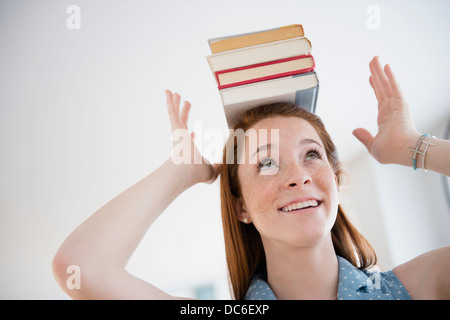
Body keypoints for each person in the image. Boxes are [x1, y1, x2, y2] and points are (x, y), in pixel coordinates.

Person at [52, 56, 450, 300]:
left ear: (334, 176)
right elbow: (81, 266)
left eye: (311, 155)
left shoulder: (418, 287)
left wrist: (415, 148)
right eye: (267, 163)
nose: (298, 177)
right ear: (240, 206)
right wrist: (180, 170)